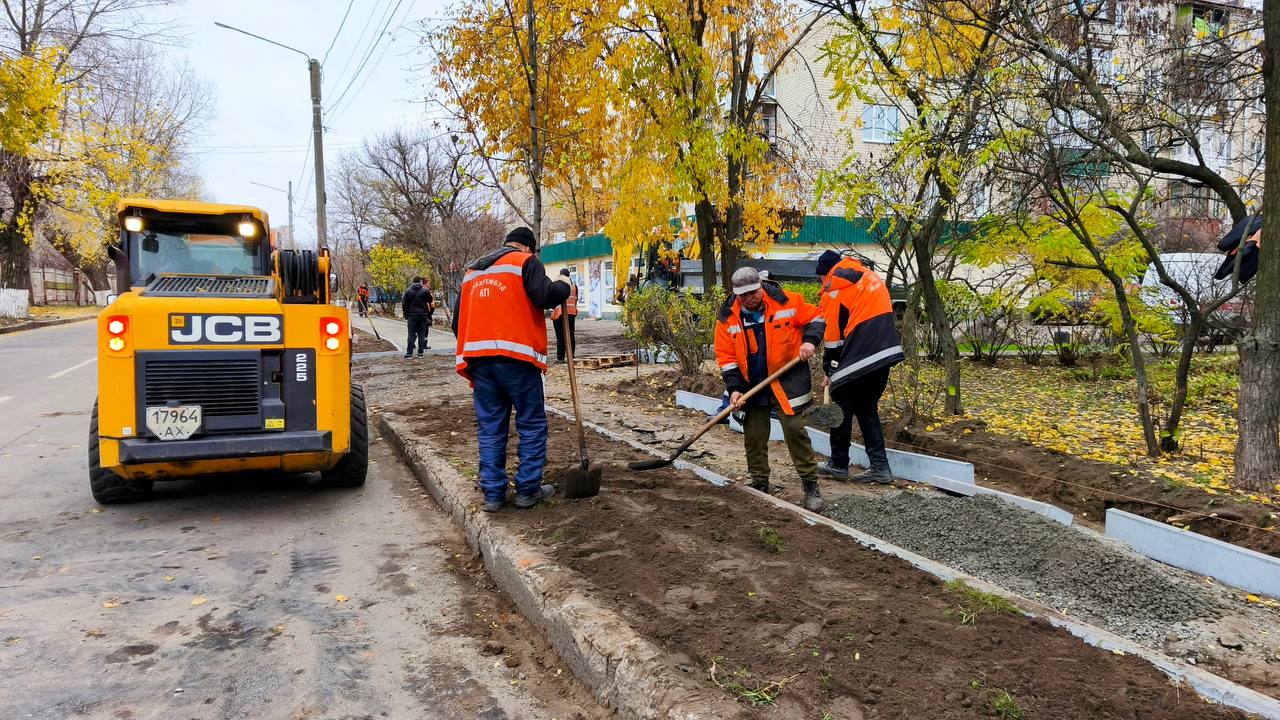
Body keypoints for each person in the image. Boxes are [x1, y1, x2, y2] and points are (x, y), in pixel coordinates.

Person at [452, 227, 571, 512]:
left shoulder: (473, 271)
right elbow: (545, 295)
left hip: (480, 363)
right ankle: (528, 491)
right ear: (529, 248)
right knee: (530, 424)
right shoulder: (524, 262)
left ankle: (493, 494)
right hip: (517, 361)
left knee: (490, 428)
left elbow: (458, 323)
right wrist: (564, 285)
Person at [715, 266, 827, 512]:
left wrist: (810, 341)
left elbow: (817, 317)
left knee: (794, 429)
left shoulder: (787, 301)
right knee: (753, 435)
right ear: (736, 294)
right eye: (743, 295)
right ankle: (760, 484)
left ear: (761, 286)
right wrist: (734, 389)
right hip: (751, 382)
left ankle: (810, 486)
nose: (749, 298)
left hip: (787, 376)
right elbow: (726, 358)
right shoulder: (727, 318)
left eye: (753, 292)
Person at [814, 250, 904, 484]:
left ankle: (838, 464)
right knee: (866, 408)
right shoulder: (868, 277)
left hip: (859, 356)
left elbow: (834, 338)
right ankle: (880, 467)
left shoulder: (835, 288)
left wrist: (829, 369)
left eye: (820, 279)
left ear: (824, 275)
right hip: (884, 354)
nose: (821, 284)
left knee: (841, 408)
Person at [551, 268, 579, 363]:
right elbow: (576, 299)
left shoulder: (557, 285)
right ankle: (571, 356)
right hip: (571, 313)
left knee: (560, 336)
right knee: (570, 335)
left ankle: (560, 357)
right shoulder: (574, 286)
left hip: (559, 314)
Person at [401, 276, 432, 358]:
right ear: (420, 281)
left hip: (412, 316)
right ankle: (420, 352)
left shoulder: (408, 291)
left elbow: (404, 304)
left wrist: (406, 314)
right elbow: (430, 299)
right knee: (421, 333)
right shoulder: (425, 290)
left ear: (413, 281)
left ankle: (409, 353)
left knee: (411, 334)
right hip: (422, 315)